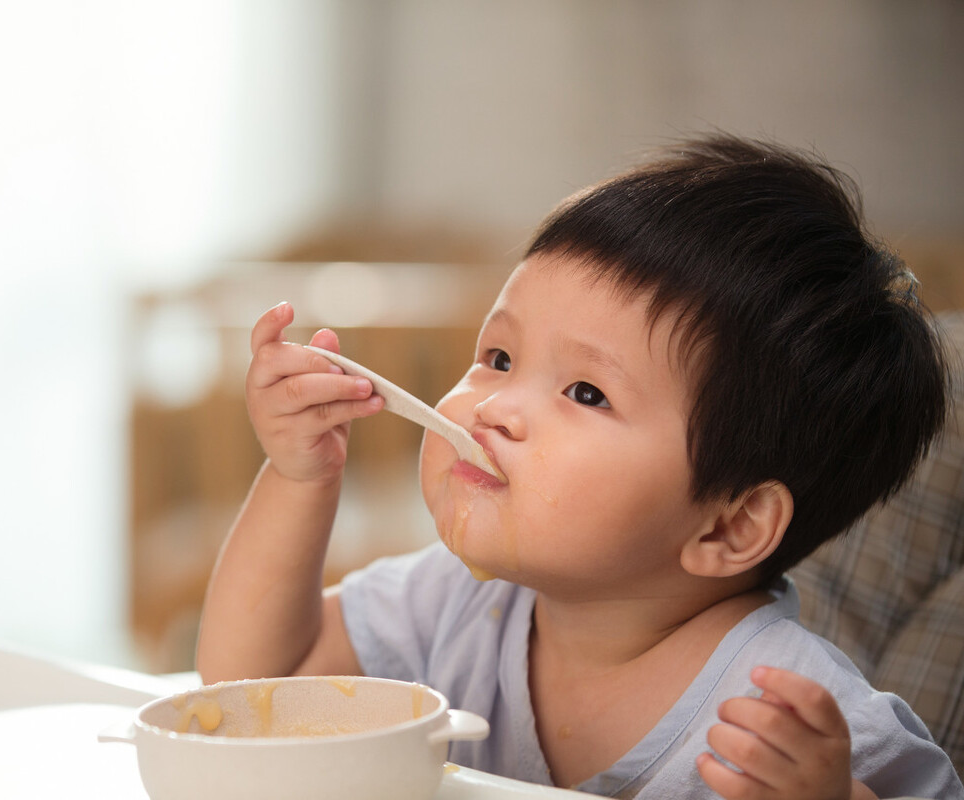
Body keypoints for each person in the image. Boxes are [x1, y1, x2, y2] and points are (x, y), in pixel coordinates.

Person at [195, 135, 963, 799]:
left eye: (586, 392)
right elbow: (255, 682)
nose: (494, 406)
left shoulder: (792, 724)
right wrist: (298, 478)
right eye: (499, 357)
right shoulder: (459, 604)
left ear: (728, 527)